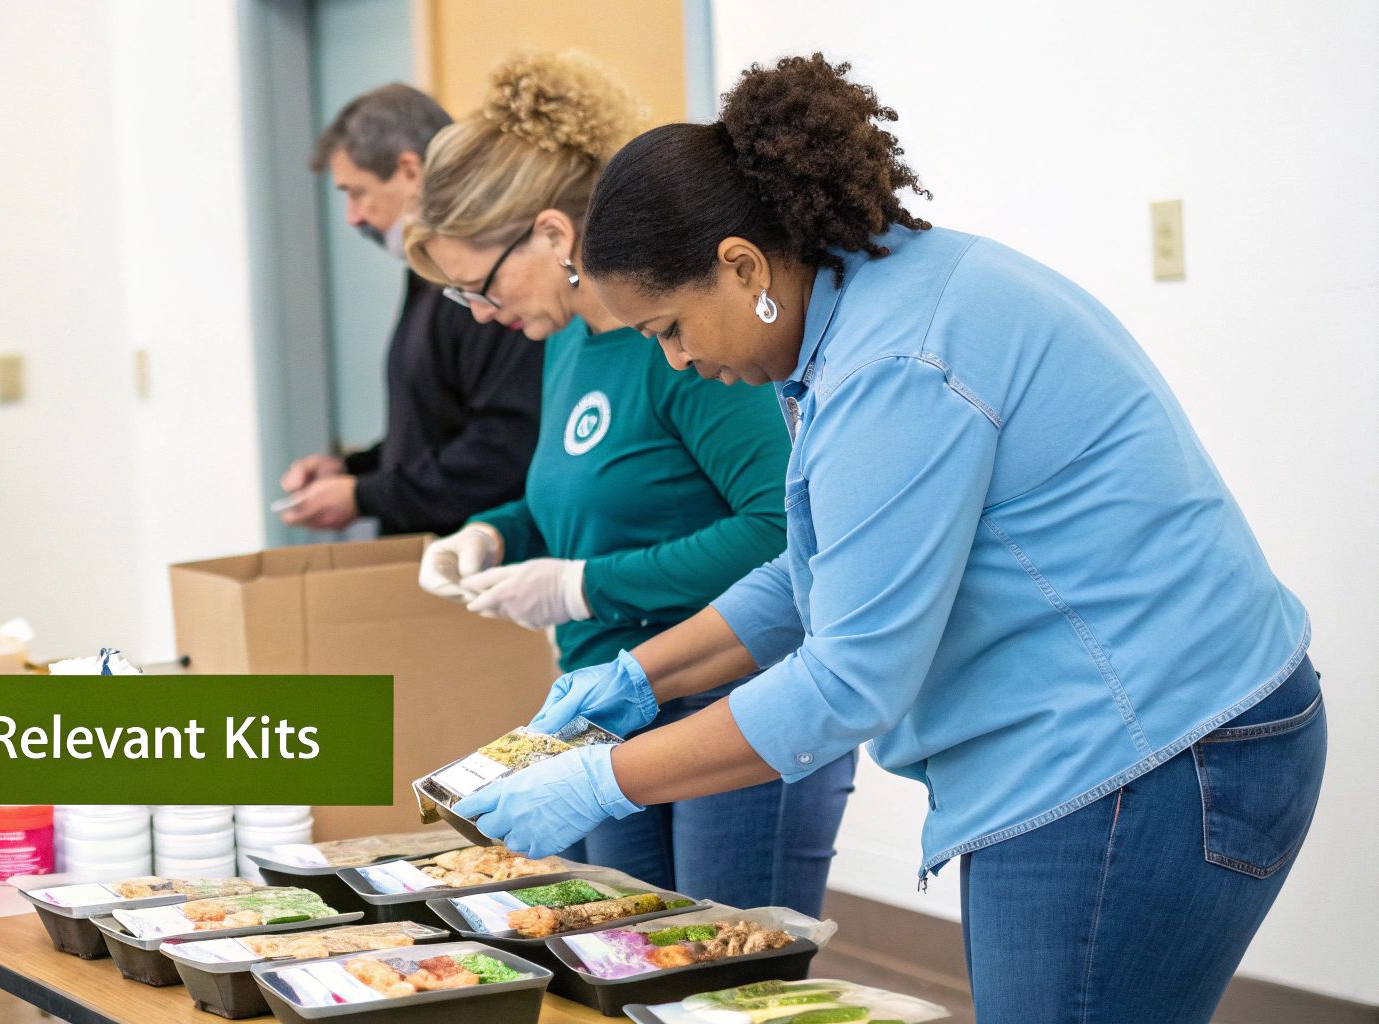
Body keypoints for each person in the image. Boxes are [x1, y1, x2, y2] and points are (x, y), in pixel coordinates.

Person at [455, 55, 1324, 1024]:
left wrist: (597, 778)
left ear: (741, 266)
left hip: (1148, 750)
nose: (677, 359)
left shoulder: (896, 361)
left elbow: (845, 682)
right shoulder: (867, 306)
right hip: (1134, 732)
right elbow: (809, 572)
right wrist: (638, 679)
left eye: (668, 327)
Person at [404, 53, 852, 915]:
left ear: (550, 234)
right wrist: (497, 534)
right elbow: (590, 498)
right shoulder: (569, 342)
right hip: (611, 696)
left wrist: (583, 586)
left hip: (730, 690)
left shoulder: (687, 340)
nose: (484, 314)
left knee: (723, 970)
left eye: (481, 287)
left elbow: (780, 534)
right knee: (622, 953)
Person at [280, 84, 542, 534]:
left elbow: (505, 448)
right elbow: (437, 426)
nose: (353, 217)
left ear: (409, 170)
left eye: (357, 192)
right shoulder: (425, 275)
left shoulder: (485, 279)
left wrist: (364, 495)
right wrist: (354, 472)